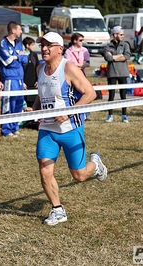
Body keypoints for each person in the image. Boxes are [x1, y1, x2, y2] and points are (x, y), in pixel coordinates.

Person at [24, 32, 107, 226]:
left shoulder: (68, 68)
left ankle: (96, 164)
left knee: (78, 176)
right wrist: (34, 108)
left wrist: (69, 112)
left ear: (60, 49)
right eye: (42, 45)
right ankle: (57, 210)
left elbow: (91, 93)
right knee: (45, 171)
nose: (44, 48)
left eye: (48, 45)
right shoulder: (39, 69)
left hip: (71, 129)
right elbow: (42, 93)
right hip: (47, 129)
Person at [0, 21, 28, 137]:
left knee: (19, 103)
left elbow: (25, 59)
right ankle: (6, 129)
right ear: (13, 30)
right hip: (9, 78)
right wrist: (18, 57)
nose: (21, 31)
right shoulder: (3, 44)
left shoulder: (19, 43)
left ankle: (15, 127)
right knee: (9, 104)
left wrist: (17, 57)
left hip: (20, 77)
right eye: (20, 29)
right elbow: (8, 62)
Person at [103, 26, 131, 123]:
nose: (123, 36)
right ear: (115, 35)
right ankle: (110, 115)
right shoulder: (108, 46)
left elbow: (127, 56)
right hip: (112, 73)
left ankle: (124, 115)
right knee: (111, 95)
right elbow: (107, 58)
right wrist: (119, 57)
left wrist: (114, 57)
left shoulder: (125, 45)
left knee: (123, 94)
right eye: (121, 34)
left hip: (123, 72)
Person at [64, 32, 91, 120]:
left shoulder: (84, 50)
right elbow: (68, 64)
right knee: (74, 94)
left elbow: (88, 63)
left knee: (86, 93)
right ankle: (74, 111)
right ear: (75, 41)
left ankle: (86, 113)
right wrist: (80, 64)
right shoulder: (69, 51)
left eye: (82, 40)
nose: (82, 42)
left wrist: (78, 65)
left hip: (82, 75)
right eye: (80, 40)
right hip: (72, 76)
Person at [22, 36, 39, 108]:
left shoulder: (34, 55)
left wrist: (38, 80)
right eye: (32, 45)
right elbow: (20, 70)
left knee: (34, 104)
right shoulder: (21, 55)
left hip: (34, 84)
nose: (34, 46)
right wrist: (22, 82)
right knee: (26, 105)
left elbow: (38, 68)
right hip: (25, 84)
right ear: (27, 45)